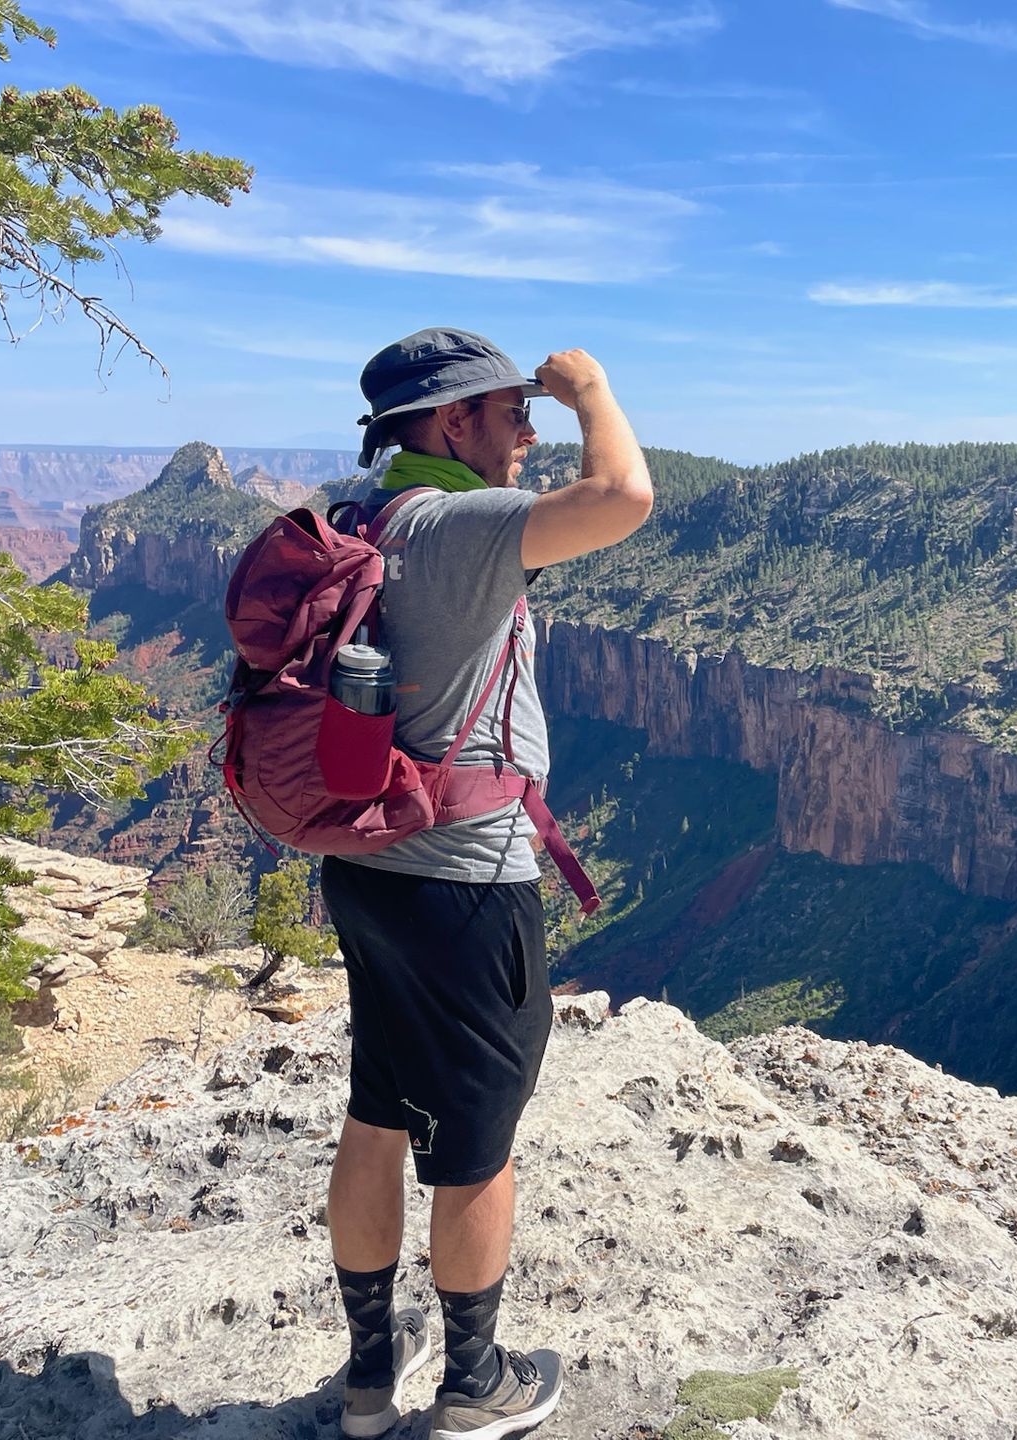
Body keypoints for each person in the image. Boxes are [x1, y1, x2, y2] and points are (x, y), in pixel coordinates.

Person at [320, 327, 651, 1439]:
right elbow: (621, 495)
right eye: (512, 414)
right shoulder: (462, 525)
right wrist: (591, 387)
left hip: (367, 870)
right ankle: (474, 1384)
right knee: (475, 1139)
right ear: (452, 424)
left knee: (377, 1109)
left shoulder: (361, 516)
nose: (528, 433)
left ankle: (372, 1373)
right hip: (464, 883)